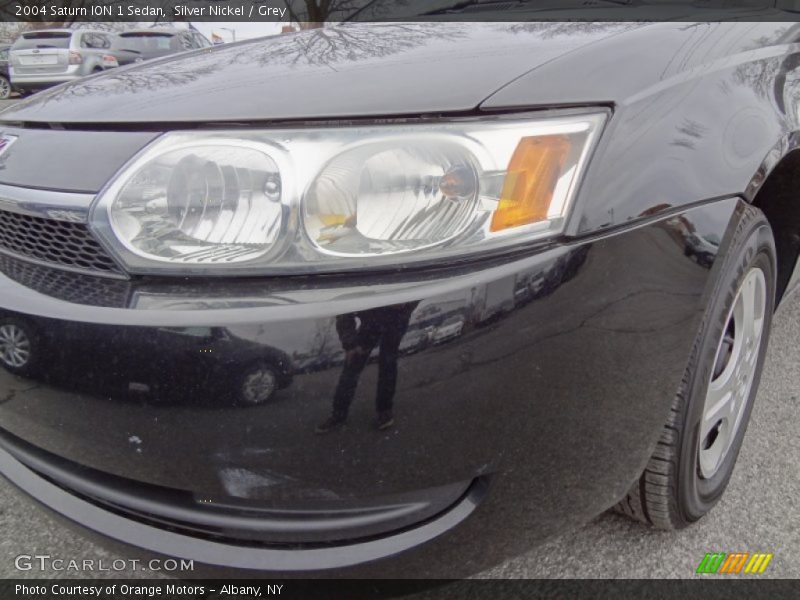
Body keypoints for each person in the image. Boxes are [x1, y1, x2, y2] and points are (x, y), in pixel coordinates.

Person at [316, 302, 418, 433]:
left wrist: (405, 305)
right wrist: (350, 344)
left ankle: (384, 410)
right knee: (351, 366)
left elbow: (418, 292)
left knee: (388, 363)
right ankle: (338, 414)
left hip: (396, 322)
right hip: (370, 324)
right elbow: (344, 310)